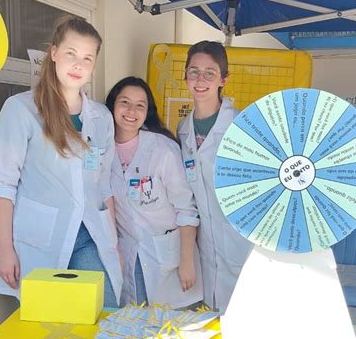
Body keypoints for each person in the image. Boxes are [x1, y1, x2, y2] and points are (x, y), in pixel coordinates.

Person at [0, 14, 122, 307]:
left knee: (105, 317)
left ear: (94, 66)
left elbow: (105, 184)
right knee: (49, 330)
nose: (78, 65)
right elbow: (4, 185)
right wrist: (5, 249)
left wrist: (113, 245)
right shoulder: (21, 110)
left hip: (91, 237)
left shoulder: (101, 118)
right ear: (54, 53)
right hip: (42, 240)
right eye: (71, 53)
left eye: (87, 58)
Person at [106, 76, 203, 308]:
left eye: (140, 105)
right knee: (137, 331)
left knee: (176, 331)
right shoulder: (101, 150)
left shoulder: (162, 149)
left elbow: (186, 208)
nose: (131, 111)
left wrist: (187, 261)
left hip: (170, 255)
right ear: (112, 106)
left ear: (147, 111)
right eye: (125, 103)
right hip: (129, 254)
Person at [177, 41, 251, 313]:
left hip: (243, 240)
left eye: (210, 73)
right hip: (205, 244)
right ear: (185, 76)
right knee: (210, 319)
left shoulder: (242, 125)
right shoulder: (183, 129)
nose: (200, 80)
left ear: (223, 79)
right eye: (193, 72)